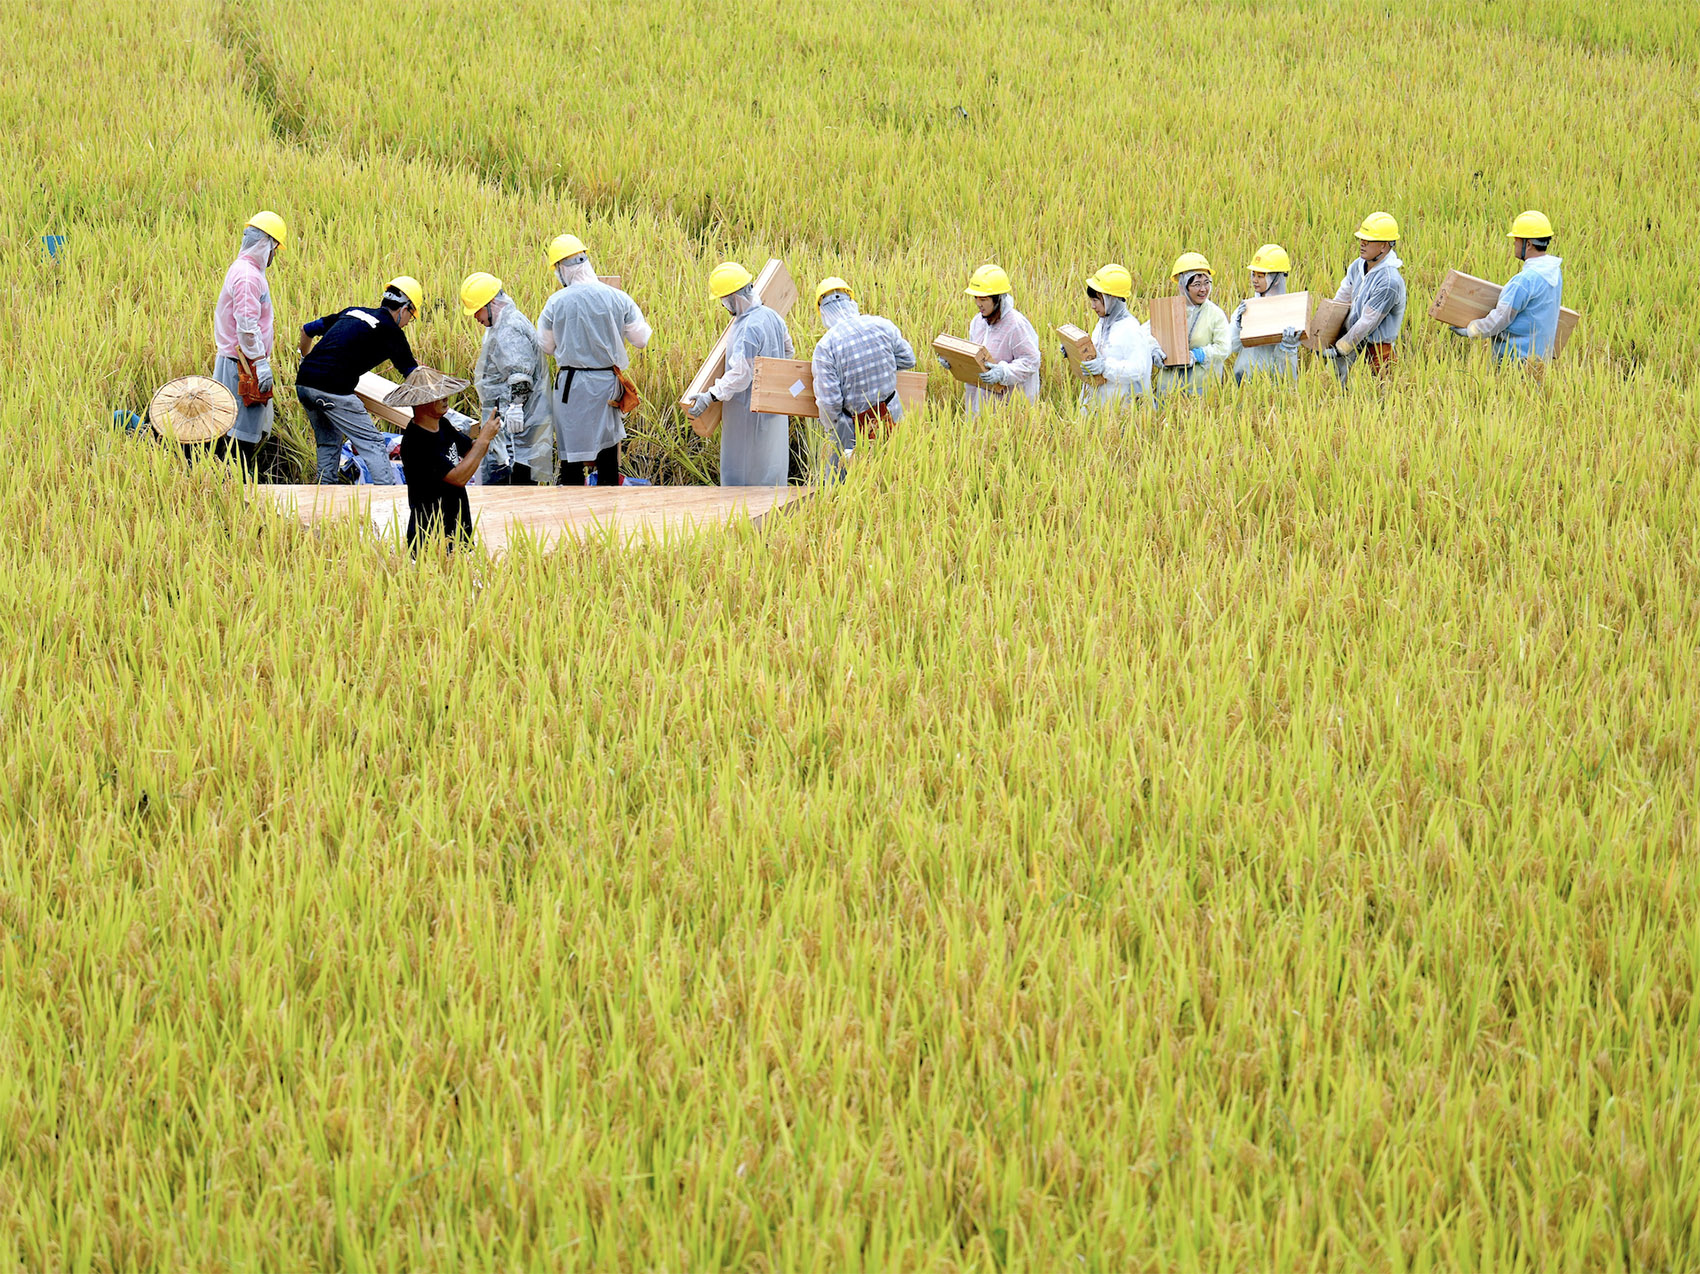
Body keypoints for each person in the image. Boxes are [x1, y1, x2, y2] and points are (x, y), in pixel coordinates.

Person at [537, 235, 651, 486]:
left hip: (571, 386)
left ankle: (572, 515)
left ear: (561, 269)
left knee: (571, 460)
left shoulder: (555, 302)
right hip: (605, 384)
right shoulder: (618, 298)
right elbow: (641, 339)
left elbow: (546, 346)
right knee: (608, 454)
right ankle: (607, 514)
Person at [295, 276, 424, 483]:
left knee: (329, 442)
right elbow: (413, 375)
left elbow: (306, 330)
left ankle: (323, 497)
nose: (408, 322)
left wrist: (304, 358)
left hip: (304, 383)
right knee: (372, 443)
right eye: (412, 316)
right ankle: (387, 500)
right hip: (333, 390)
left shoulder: (353, 312)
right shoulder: (392, 332)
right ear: (404, 309)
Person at [687, 262, 795, 486]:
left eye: (724, 301)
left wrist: (711, 395)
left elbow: (741, 375)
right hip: (773, 407)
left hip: (746, 411)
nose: (724, 306)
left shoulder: (747, 328)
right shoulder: (773, 317)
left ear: (733, 298)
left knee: (744, 471)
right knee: (771, 466)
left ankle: (741, 517)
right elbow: (788, 351)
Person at [384, 367, 500, 552]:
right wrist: (485, 439)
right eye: (438, 395)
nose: (445, 398)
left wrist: (489, 434)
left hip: (457, 519)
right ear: (421, 402)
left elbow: (470, 449)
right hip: (431, 530)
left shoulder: (443, 424)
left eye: (444, 393)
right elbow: (458, 478)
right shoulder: (416, 442)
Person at [810, 277, 916, 478]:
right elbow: (908, 359)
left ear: (822, 312)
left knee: (845, 483)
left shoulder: (826, 347)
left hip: (854, 427)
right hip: (892, 414)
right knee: (895, 473)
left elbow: (829, 403)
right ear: (851, 301)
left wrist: (838, 432)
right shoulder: (882, 325)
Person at [211, 211, 285, 478]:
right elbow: (246, 326)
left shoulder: (246, 270)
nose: (275, 256)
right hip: (241, 365)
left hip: (241, 361)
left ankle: (233, 478)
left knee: (236, 429)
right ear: (266, 244)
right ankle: (235, 483)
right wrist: (260, 362)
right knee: (237, 432)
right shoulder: (248, 277)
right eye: (276, 249)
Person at [461, 272, 552, 484]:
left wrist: (516, 407)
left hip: (515, 428)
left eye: (477, 311)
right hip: (507, 424)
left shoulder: (509, 328)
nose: (476, 317)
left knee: (515, 484)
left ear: (491, 303)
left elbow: (520, 374)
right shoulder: (502, 324)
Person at [1452, 211, 1564, 361]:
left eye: (1516, 240)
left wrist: (1471, 330)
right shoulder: (1554, 273)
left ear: (1528, 244)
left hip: (1514, 360)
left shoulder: (1524, 282)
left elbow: (1500, 319)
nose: (1514, 244)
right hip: (1540, 360)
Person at [1325, 212, 1406, 384]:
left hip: (1377, 349)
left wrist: (1341, 348)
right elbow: (1342, 298)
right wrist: (1326, 331)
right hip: (1352, 338)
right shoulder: (1358, 265)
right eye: (1362, 239)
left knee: (1379, 394)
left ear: (1384, 246)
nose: (1362, 243)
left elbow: (1368, 322)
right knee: (1334, 387)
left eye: (1368, 240)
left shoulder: (1389, 282)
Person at [955, 264, 1040, 414]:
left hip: (1011, 409)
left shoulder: (1016, 325)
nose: (978, 303)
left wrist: (1004, 372)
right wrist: (954, 362)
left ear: (998, 299)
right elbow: (973, 357)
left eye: (983, 299)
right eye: (976, 298)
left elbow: (1031, 361)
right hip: (981, 403)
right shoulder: (977, 322)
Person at [1074, 263, 1161, 406]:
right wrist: (1073, 350)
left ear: (1111, 298)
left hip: (1122, 409)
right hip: (1098, 406)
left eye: (1096, 300)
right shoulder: (1102, 323)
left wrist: (1105, 367)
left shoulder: (1130, 329)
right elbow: (1095, 353)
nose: (1093, 306)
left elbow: (1138, 369)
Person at [1155, 253, 1230, 398]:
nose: (1203, 289)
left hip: (1202, 390)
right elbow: (1148, 335)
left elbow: (1224, 347)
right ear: (1183, 286)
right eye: (1197, 284)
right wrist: (1154, 351)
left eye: (1207, 282)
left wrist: (1200, 355)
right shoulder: (1167, 310)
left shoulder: (1215, 314)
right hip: (1168, 390)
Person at [1227, 244, 1303, 383]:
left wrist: (1289, 348)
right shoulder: (1246, 308)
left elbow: (1289, 376)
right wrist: (1237, 326)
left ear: (1277, 279)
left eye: (1261, 276)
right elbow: (1231, 346)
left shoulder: (1289, 311)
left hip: (1270, 384)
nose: (1255, 280)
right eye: (1253, 275)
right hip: (1241, 380)